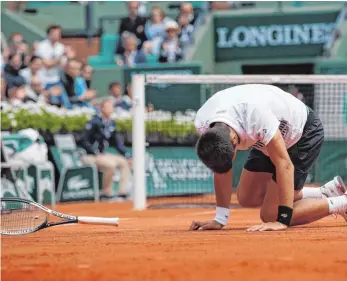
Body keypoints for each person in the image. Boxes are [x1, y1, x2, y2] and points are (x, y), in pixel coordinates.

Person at [190, 84, 347, 232]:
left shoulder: (255, 116)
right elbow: (221, 167)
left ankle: (342, 203)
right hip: (266, 138)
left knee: (270, 214)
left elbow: (284, 164)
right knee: (247, 197)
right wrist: (220, 219)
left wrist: (282, 220)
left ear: (233, 140)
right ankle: (326, 192)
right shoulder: (204, 124)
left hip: (301, 134)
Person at [80, 98, 132, 201]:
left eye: (112, 107)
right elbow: (83, 140)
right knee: (110, 164)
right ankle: (107, 192)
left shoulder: (111, 123)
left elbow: (118, 143)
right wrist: (95, 152)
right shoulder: (94, 122)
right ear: (102, 108)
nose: (111, 109)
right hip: (90, 156)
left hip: (103, 154)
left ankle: (122, 192)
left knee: (124, 162)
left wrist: (127, 155)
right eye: (109, 107)